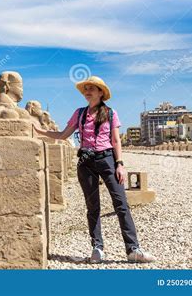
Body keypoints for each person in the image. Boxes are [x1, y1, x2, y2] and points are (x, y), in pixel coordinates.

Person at [34, 76, 155, 264]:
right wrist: (41, 132)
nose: (87, 91)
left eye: (91, 88)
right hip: (85, 161)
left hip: (107, 159)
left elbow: (115, 141)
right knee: (93, 207)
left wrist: (120, 164)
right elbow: (63, 134)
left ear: (100, 92)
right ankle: (97, 248)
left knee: (121, 203)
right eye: (86, 89)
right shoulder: (79, 113)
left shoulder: (111, 113)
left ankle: (133, 249)